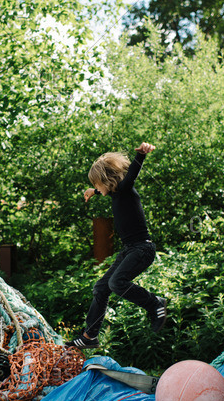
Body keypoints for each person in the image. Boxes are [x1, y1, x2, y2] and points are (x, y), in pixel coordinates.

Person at [66, 142, 167, 350]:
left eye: (97, 184)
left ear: (106, 180)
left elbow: (130, 176)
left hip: (142, 249)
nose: (97, 188)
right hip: (130, 249)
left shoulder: (125, 189)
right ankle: (89, 336)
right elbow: (107, 190)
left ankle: (155, 303)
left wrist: (140, 156)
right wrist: (94, 190)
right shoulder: (115, 193)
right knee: (101, 287)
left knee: (116, 283)